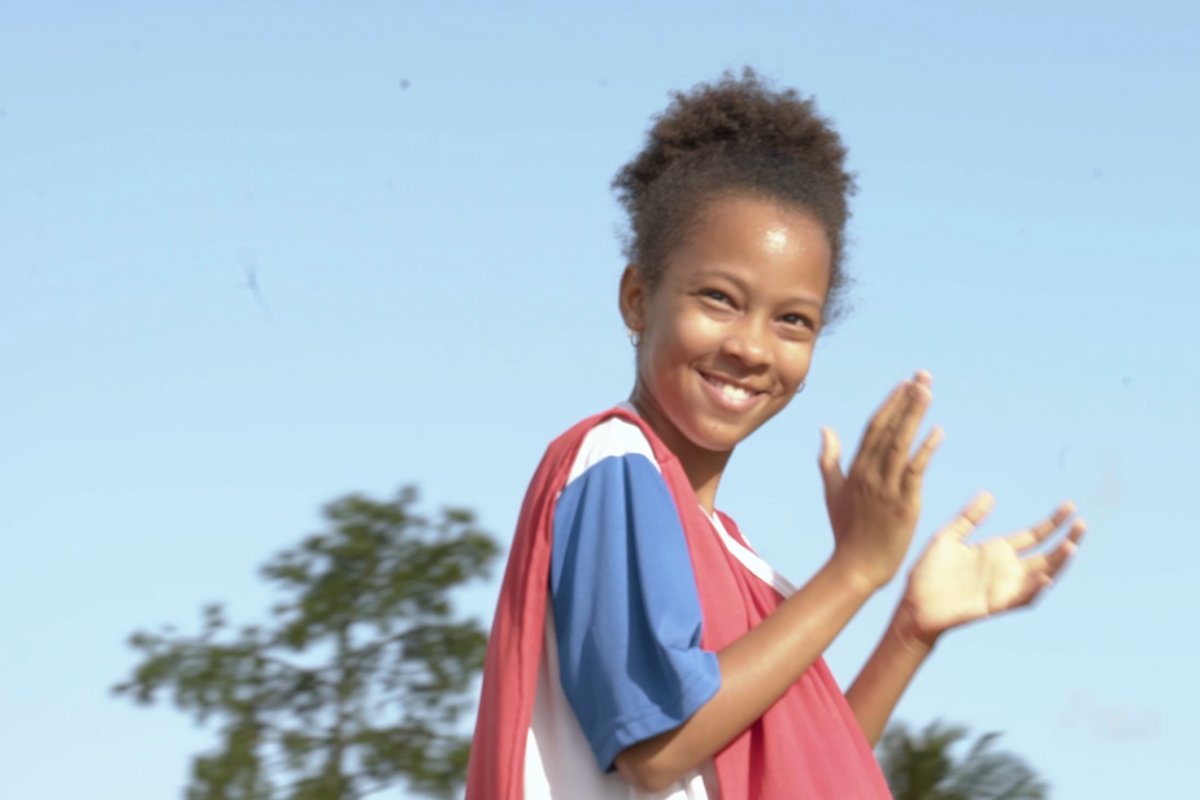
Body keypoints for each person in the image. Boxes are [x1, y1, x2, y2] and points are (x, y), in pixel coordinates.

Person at [466, 69, 1086, 800]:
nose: (754, 348)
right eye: (719, 298)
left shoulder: (742, 565)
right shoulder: (613, 459)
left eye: (793, 320)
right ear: (639, 298)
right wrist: (855, 569)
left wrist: (908, 633)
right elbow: (662, 744)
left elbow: (797, 771)